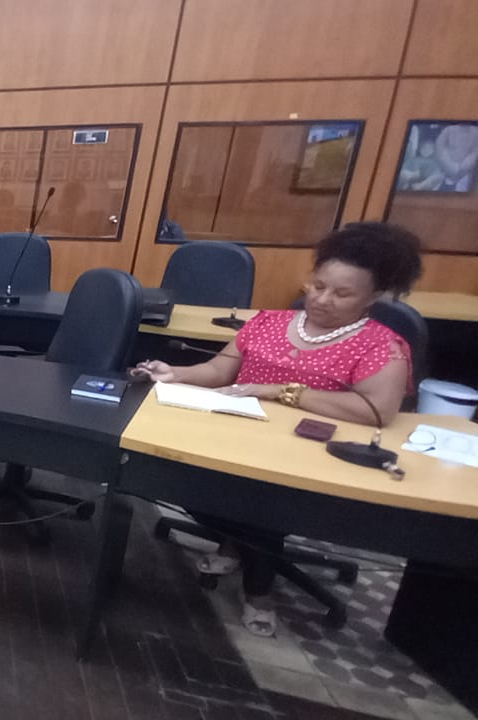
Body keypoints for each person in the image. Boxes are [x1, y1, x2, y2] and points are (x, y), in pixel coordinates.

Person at [133, 222, 423, 638]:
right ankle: (238, 542)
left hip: (311, 457)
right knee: (173, 473)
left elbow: (376, 410)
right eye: (318, 285)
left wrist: (279, 391)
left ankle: (258, 591)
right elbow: (218, 371)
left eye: (342, 294)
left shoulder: (381, 345)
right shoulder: (268, 322)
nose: (322, 299)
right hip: (239, 439)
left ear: (374, 296)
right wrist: (174, 373)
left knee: (259, 501)